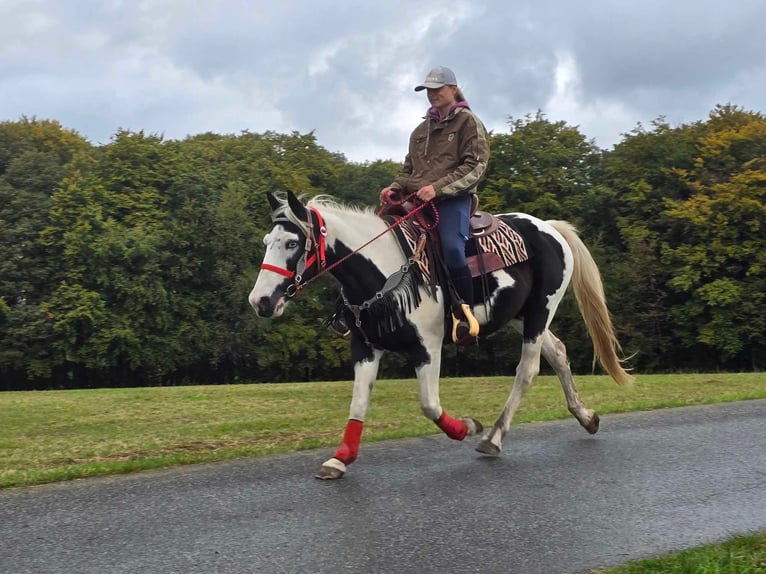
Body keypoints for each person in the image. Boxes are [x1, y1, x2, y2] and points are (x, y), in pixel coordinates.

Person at [380, 66, 490, 343]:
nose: (432, 95)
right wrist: (394, 188)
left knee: (453, 250)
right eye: (428, 90)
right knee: (378, 237)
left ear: (453, 89)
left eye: (437, 89)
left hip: (452, 201)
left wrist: (437, 188)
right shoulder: (419, 131)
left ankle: (466, 314)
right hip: (416, 201)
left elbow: (475, 166)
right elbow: (408, 171)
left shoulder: (468, 122)